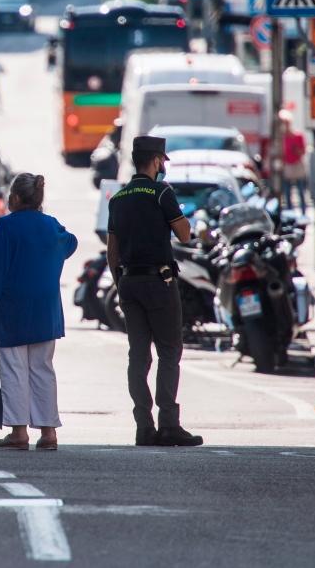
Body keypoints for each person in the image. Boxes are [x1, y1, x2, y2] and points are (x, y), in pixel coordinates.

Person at [106, 136, 203, 447]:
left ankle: (143, 426)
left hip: (129, 283)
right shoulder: (162, 193)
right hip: (159, 284)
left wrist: (120, 282)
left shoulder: (118, 198)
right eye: (163, 161)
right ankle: (169, 425)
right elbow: (185, 236)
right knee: (169, 351)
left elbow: (112, 251)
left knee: (138, 356)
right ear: (157, 161)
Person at [0, 173, 77, 451]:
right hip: (45, 311)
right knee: (43, 370)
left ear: (16, 198)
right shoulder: (52, 226)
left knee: (15, 371)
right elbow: (71, 242)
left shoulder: (5, 226)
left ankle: (19, 433)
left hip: (12, 311)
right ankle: (49, 432)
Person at [280, 110, 308, 213]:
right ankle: (289, 215)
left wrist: (296, 149)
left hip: (297, 167)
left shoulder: (298, 136)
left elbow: (303, 151)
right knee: (287, 194)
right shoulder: (281, 138)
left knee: (301, 192)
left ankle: (303, 214)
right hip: (286, 167)